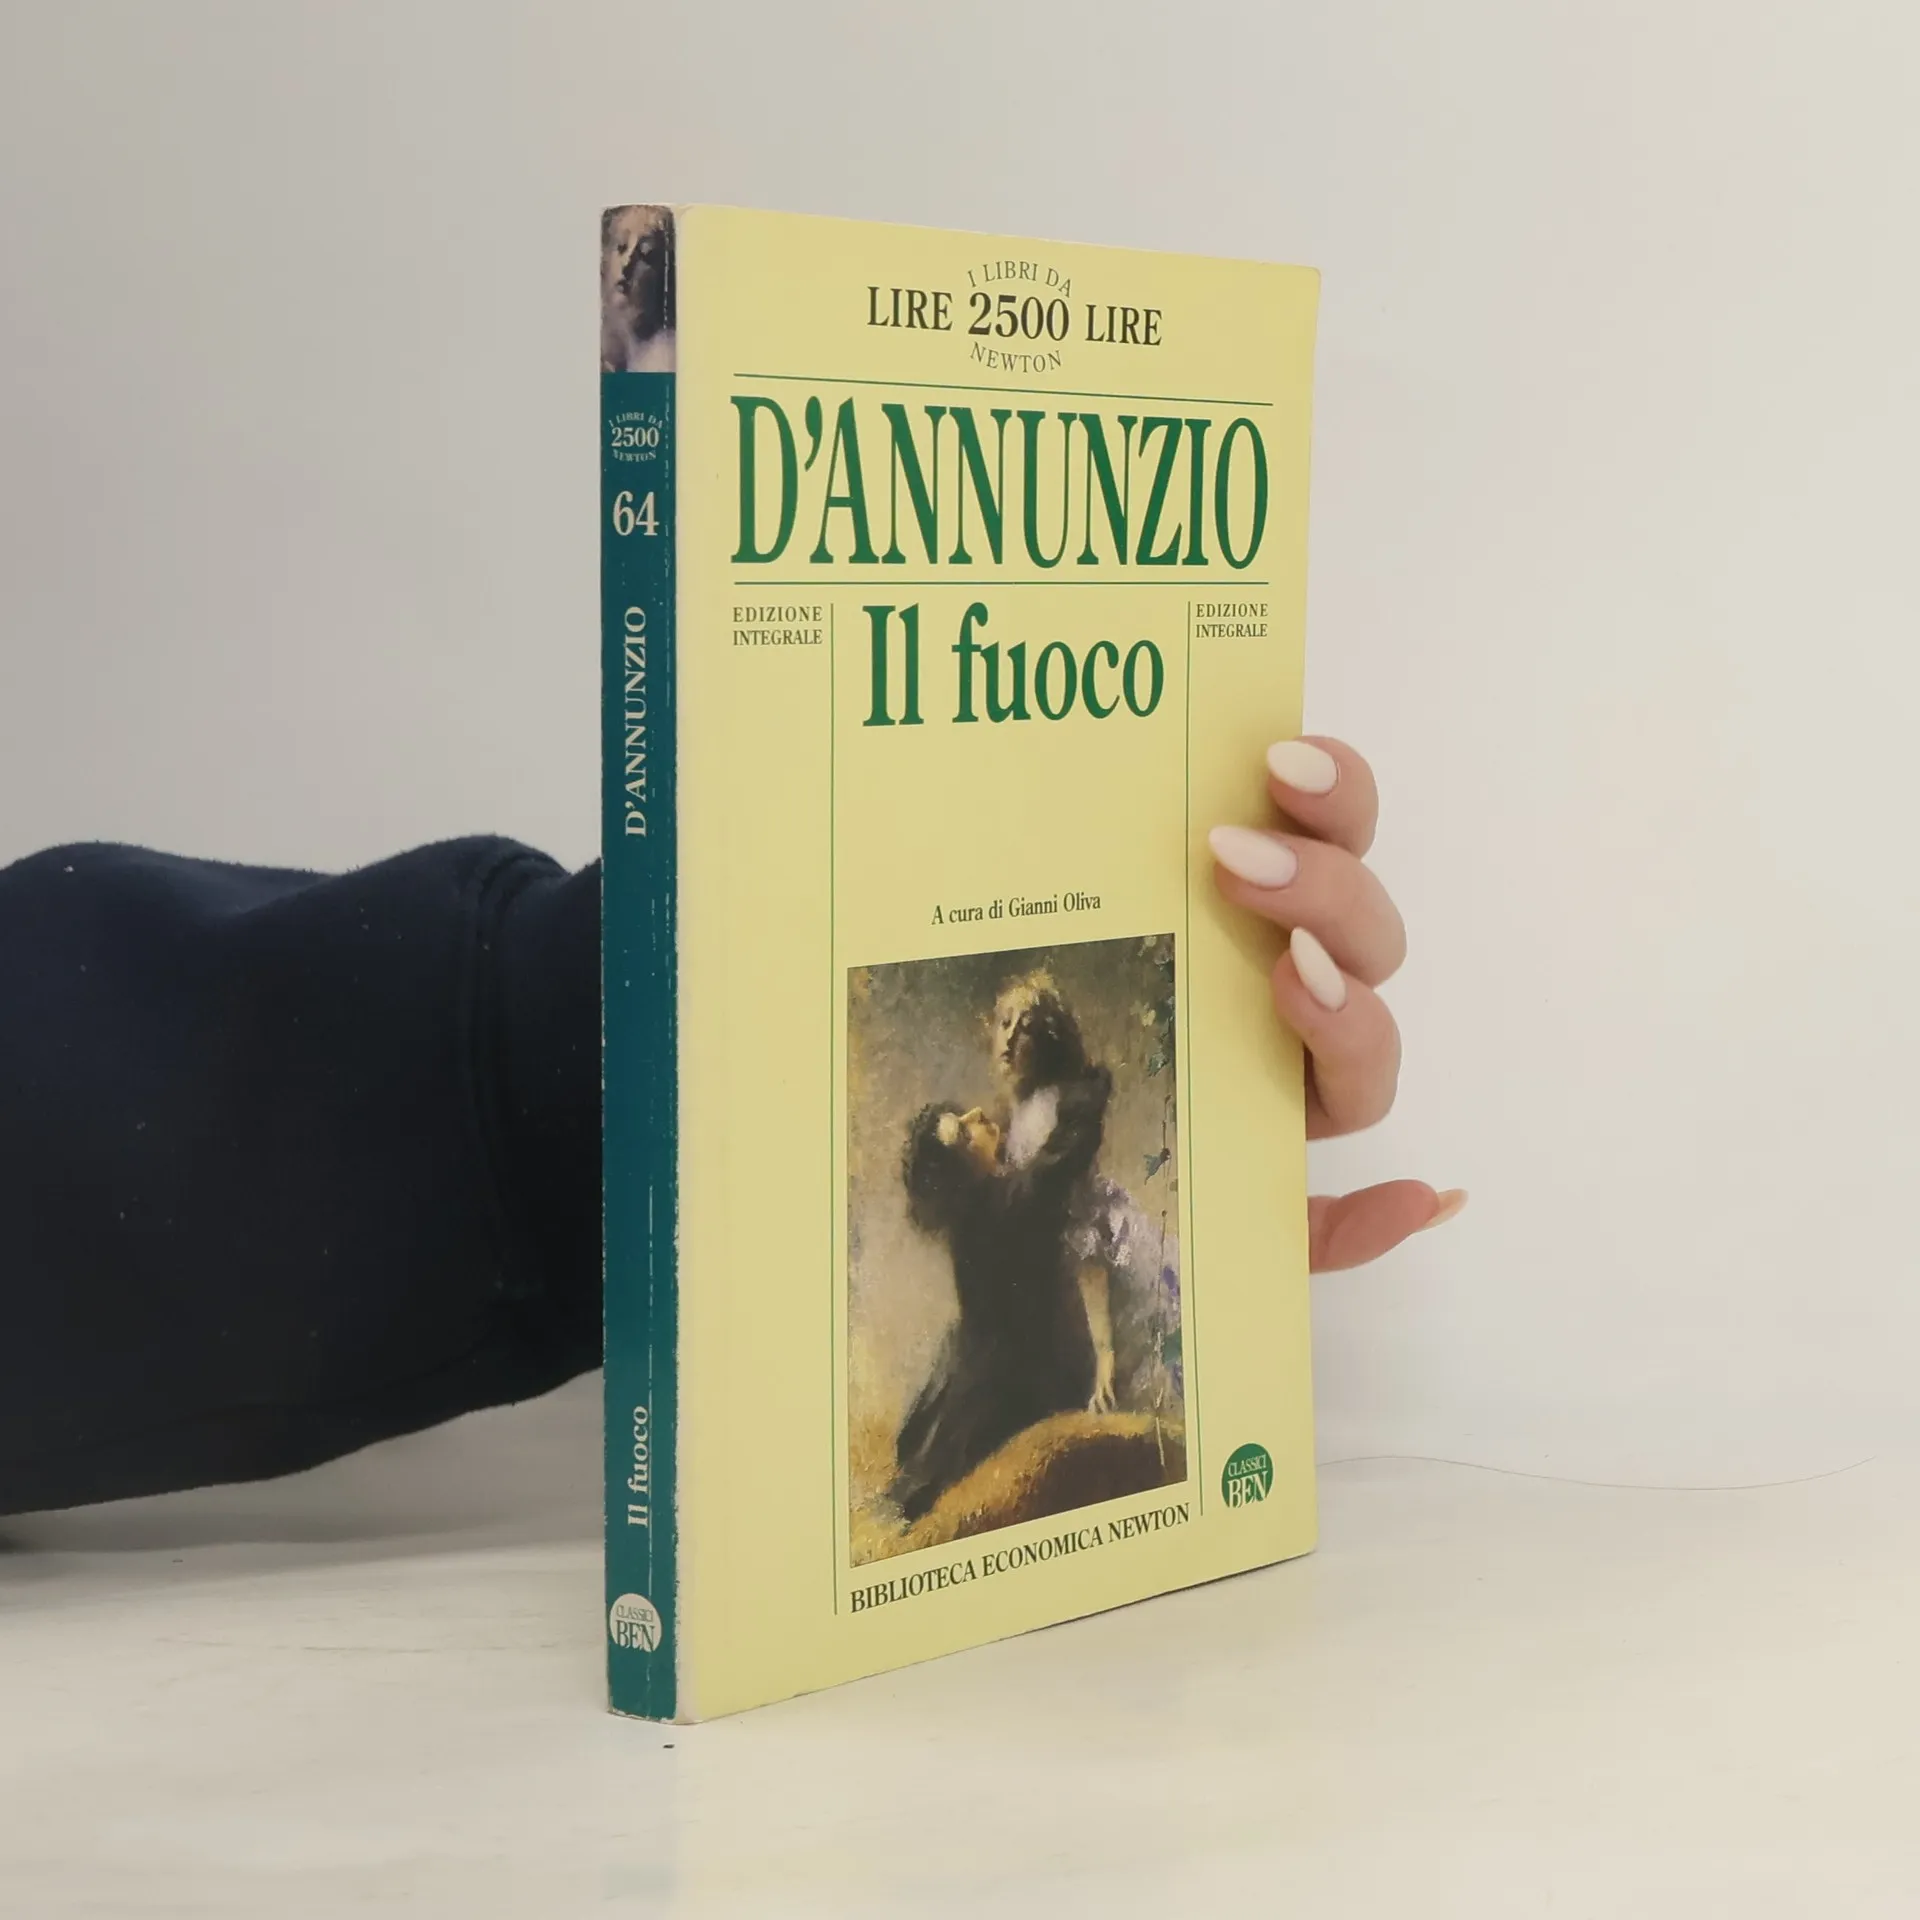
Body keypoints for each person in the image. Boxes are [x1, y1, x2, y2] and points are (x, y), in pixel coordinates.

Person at [0, 734, 1461, 1517]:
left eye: (1031, 1050)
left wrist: (612, 1023)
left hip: (1031, 1366)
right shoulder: (974, 1161)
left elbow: (1114, 1256)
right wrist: (604, 1066)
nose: (1007, 1074)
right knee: (916, 1473)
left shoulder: (1071, 1158)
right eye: (1005, 1052)